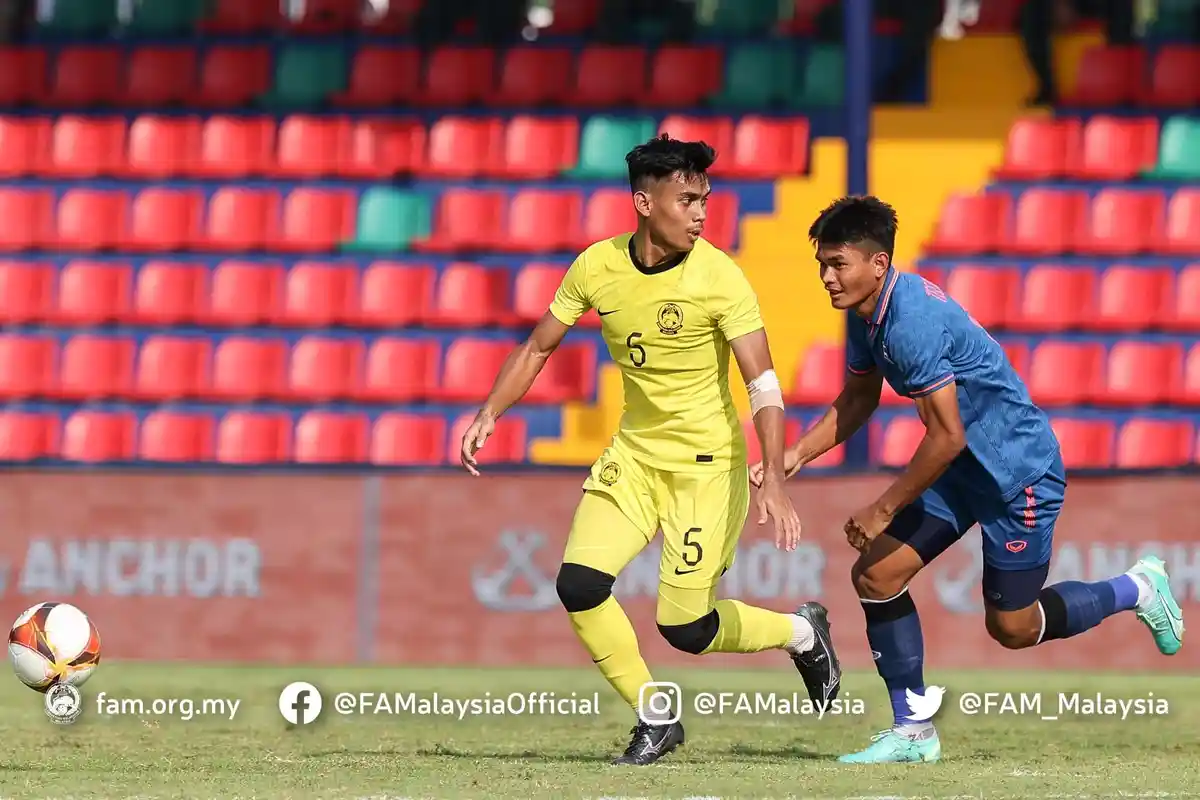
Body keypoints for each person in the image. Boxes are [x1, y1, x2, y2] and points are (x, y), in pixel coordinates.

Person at [750, 195, 1185, 764]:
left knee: (1013, 629)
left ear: (877, 264)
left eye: (838, 264)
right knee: (877, 575)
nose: (827, 278)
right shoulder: (867, 313)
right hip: (963, 470)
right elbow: (860, 397)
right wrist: (796, 455)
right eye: (822, 266)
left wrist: (882, 510)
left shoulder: (911, 323)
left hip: (1018, 475)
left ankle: (1139, 588)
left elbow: (947, 435)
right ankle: (913, 731)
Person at [459, 135, 842, 766]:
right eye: (687, 199)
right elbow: (537, 348)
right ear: (644, 202)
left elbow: (763, 385)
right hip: (634, 458)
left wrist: (774, 476)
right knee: (578, 584)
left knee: (685, 628)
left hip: (707, 471)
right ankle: (654, 717)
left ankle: (803, 632)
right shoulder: (596, 266)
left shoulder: (719, 276)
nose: (700, 213)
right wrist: (490, 411)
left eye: (704, 199)